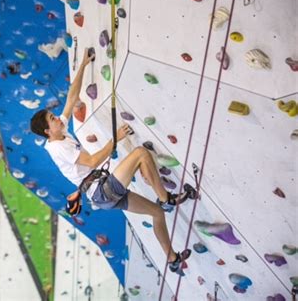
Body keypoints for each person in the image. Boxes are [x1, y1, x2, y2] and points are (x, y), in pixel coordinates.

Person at [30, 48, 195, 274]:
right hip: (102, 190)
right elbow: (93, 160)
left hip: (102, 194)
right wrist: (116, 138)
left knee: (155, 214)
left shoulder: (60, 132)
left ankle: (172, 259)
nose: (58, 117)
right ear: (48, 131)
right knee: (140, 154)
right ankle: (166, 199)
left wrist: (84, 65)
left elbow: (71, 97)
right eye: (53, 119)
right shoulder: (59, 147)